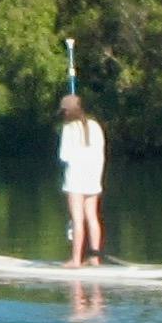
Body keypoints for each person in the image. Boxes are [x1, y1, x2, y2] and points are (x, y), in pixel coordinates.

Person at [55, 91, 107, 266]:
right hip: (93, 177)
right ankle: (94, 257)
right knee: (92, 217)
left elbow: (64, 156)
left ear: (67, 112)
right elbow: (100, 152)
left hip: (76, 179)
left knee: (77, 219)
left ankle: (76, 260)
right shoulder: (95, 125)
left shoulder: (68, 129)